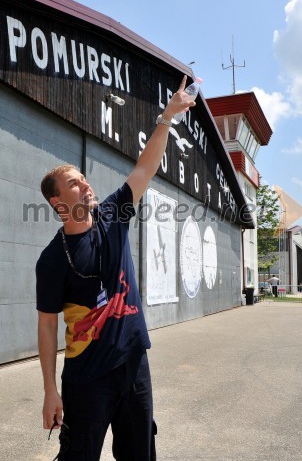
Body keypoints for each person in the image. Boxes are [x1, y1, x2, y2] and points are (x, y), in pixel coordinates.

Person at [36, 76, 195, 461]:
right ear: (58, 202)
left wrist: (167, 117)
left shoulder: (112, 214)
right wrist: (49, 391)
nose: (86, 185)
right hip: (87, 377)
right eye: (74, 184)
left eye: (84, 179)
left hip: (133, 365)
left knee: (140, 452)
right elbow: (46, 324)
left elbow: (144, 168)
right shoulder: (53, 258)